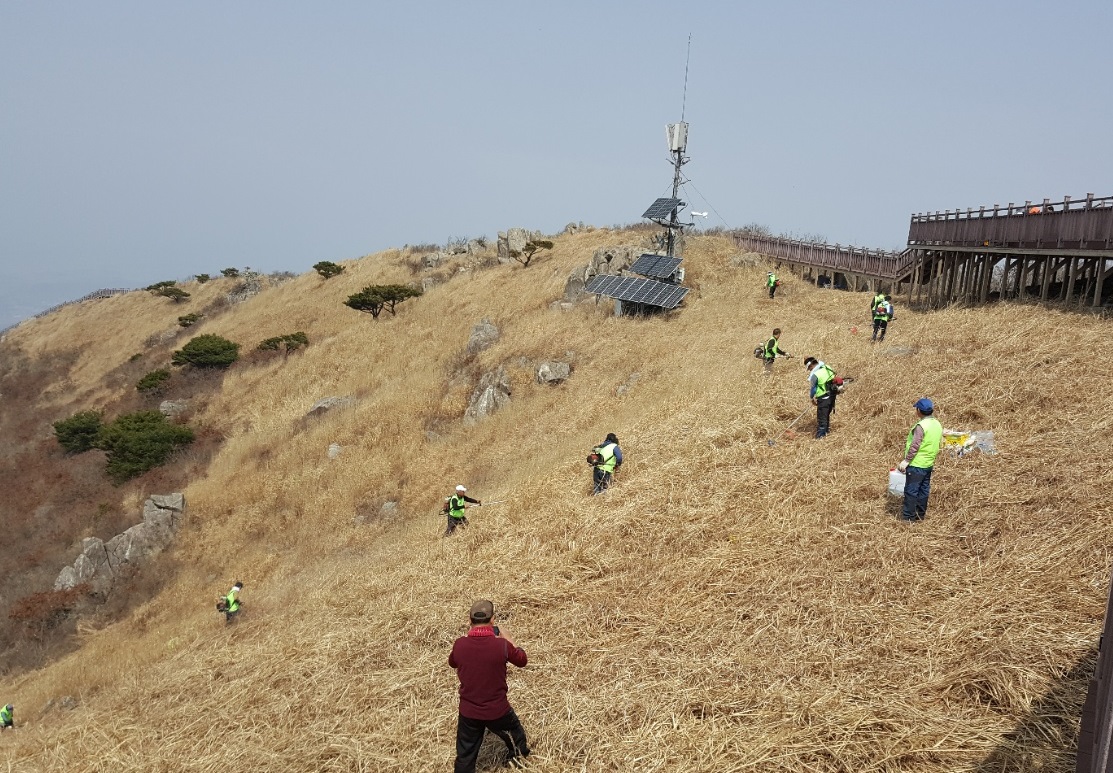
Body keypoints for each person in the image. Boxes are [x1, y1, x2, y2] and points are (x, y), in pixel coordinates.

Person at [449, 600, 530, 772]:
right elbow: (522, 660)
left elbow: (452, 662)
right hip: (497, 710)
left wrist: (468, 638)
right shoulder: (501, 645)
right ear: (493, 620)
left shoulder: (459, 644)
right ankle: (519, 760)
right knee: (516, 736)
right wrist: (511, 640)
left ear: (469, 620)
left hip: (468, 712)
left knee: (465, 756)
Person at [896, 398, 943, 522]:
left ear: (919, 411)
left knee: (911, 491)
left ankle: (908, 519)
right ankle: (919, 515)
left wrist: (906, 461)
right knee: (924, 490)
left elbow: (915, 444)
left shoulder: (921, 426)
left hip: (917, 464)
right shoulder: (937, 424)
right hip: (928, 463)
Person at [804, 357, 838, 439]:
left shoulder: (815, 375)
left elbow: (813, 389)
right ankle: (827, 432)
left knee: (822, 418)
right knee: (827, 415)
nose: (809, 370)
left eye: (809, 368)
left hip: (823, 398)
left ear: (811, 365)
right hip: (832, 396)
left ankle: (820, 437)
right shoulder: (828, 367)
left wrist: (812, 398)